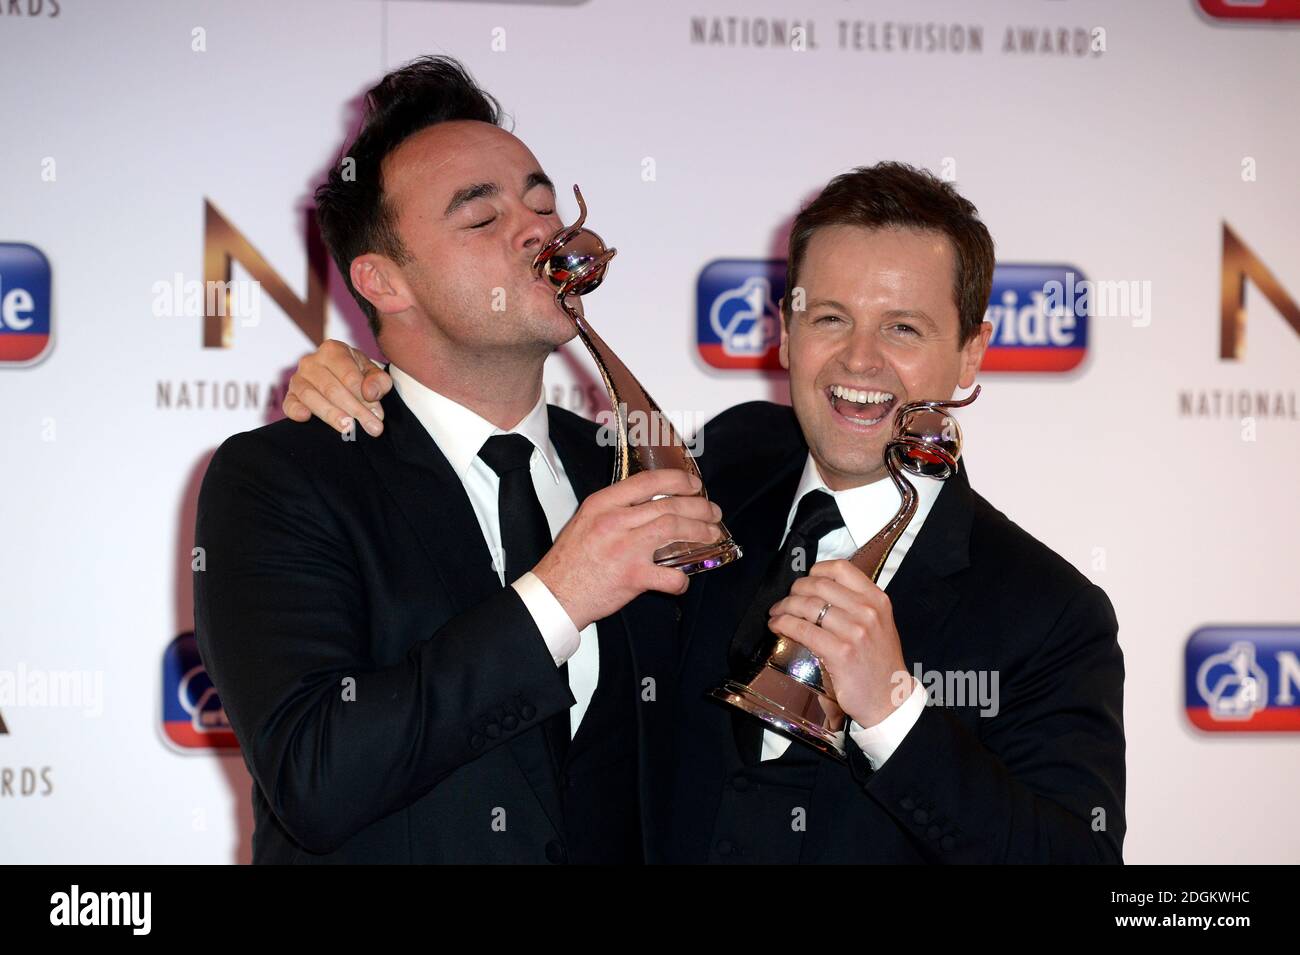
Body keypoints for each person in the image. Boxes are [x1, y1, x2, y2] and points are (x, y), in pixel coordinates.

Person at [287, 157, 1126, 862]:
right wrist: (371, 381)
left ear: (973, 348)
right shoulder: (710, 477)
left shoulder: (1048, 613)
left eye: (904, 328)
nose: (859, 359)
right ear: (785, 331)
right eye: (829, 317)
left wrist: (894, 712)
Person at [193, 55, 724, 864]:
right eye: (482, 219)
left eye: (544, 205)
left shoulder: (635, 473)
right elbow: (312, 773)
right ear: (383, 280)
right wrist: (560, 595)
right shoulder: (284, 479)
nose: (540, 229)